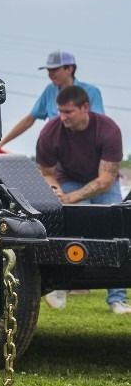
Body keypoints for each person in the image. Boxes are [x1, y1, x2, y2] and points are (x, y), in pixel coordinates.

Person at [35, 85, 127, 314]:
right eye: (60, 111)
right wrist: (56, 191)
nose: (62, 117)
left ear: (85, 107)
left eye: (68, 112)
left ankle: (118, 299)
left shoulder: (108, 129)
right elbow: (46, 171)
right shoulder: (50, 131)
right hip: (69, 180)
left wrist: (71, 198)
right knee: (75, 229)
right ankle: (61, 286)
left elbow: (106, 179)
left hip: (104, 182)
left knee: (118, 231)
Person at [0, 50, 104, 151]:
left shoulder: (92, 92)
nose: (50, 73)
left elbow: (99, 123)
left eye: (55, 69)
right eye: (48, 70)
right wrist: (0, 144)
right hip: (59, 150)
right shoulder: (50, 90)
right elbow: (29, 119)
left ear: (69, 69)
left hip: (86, 149)